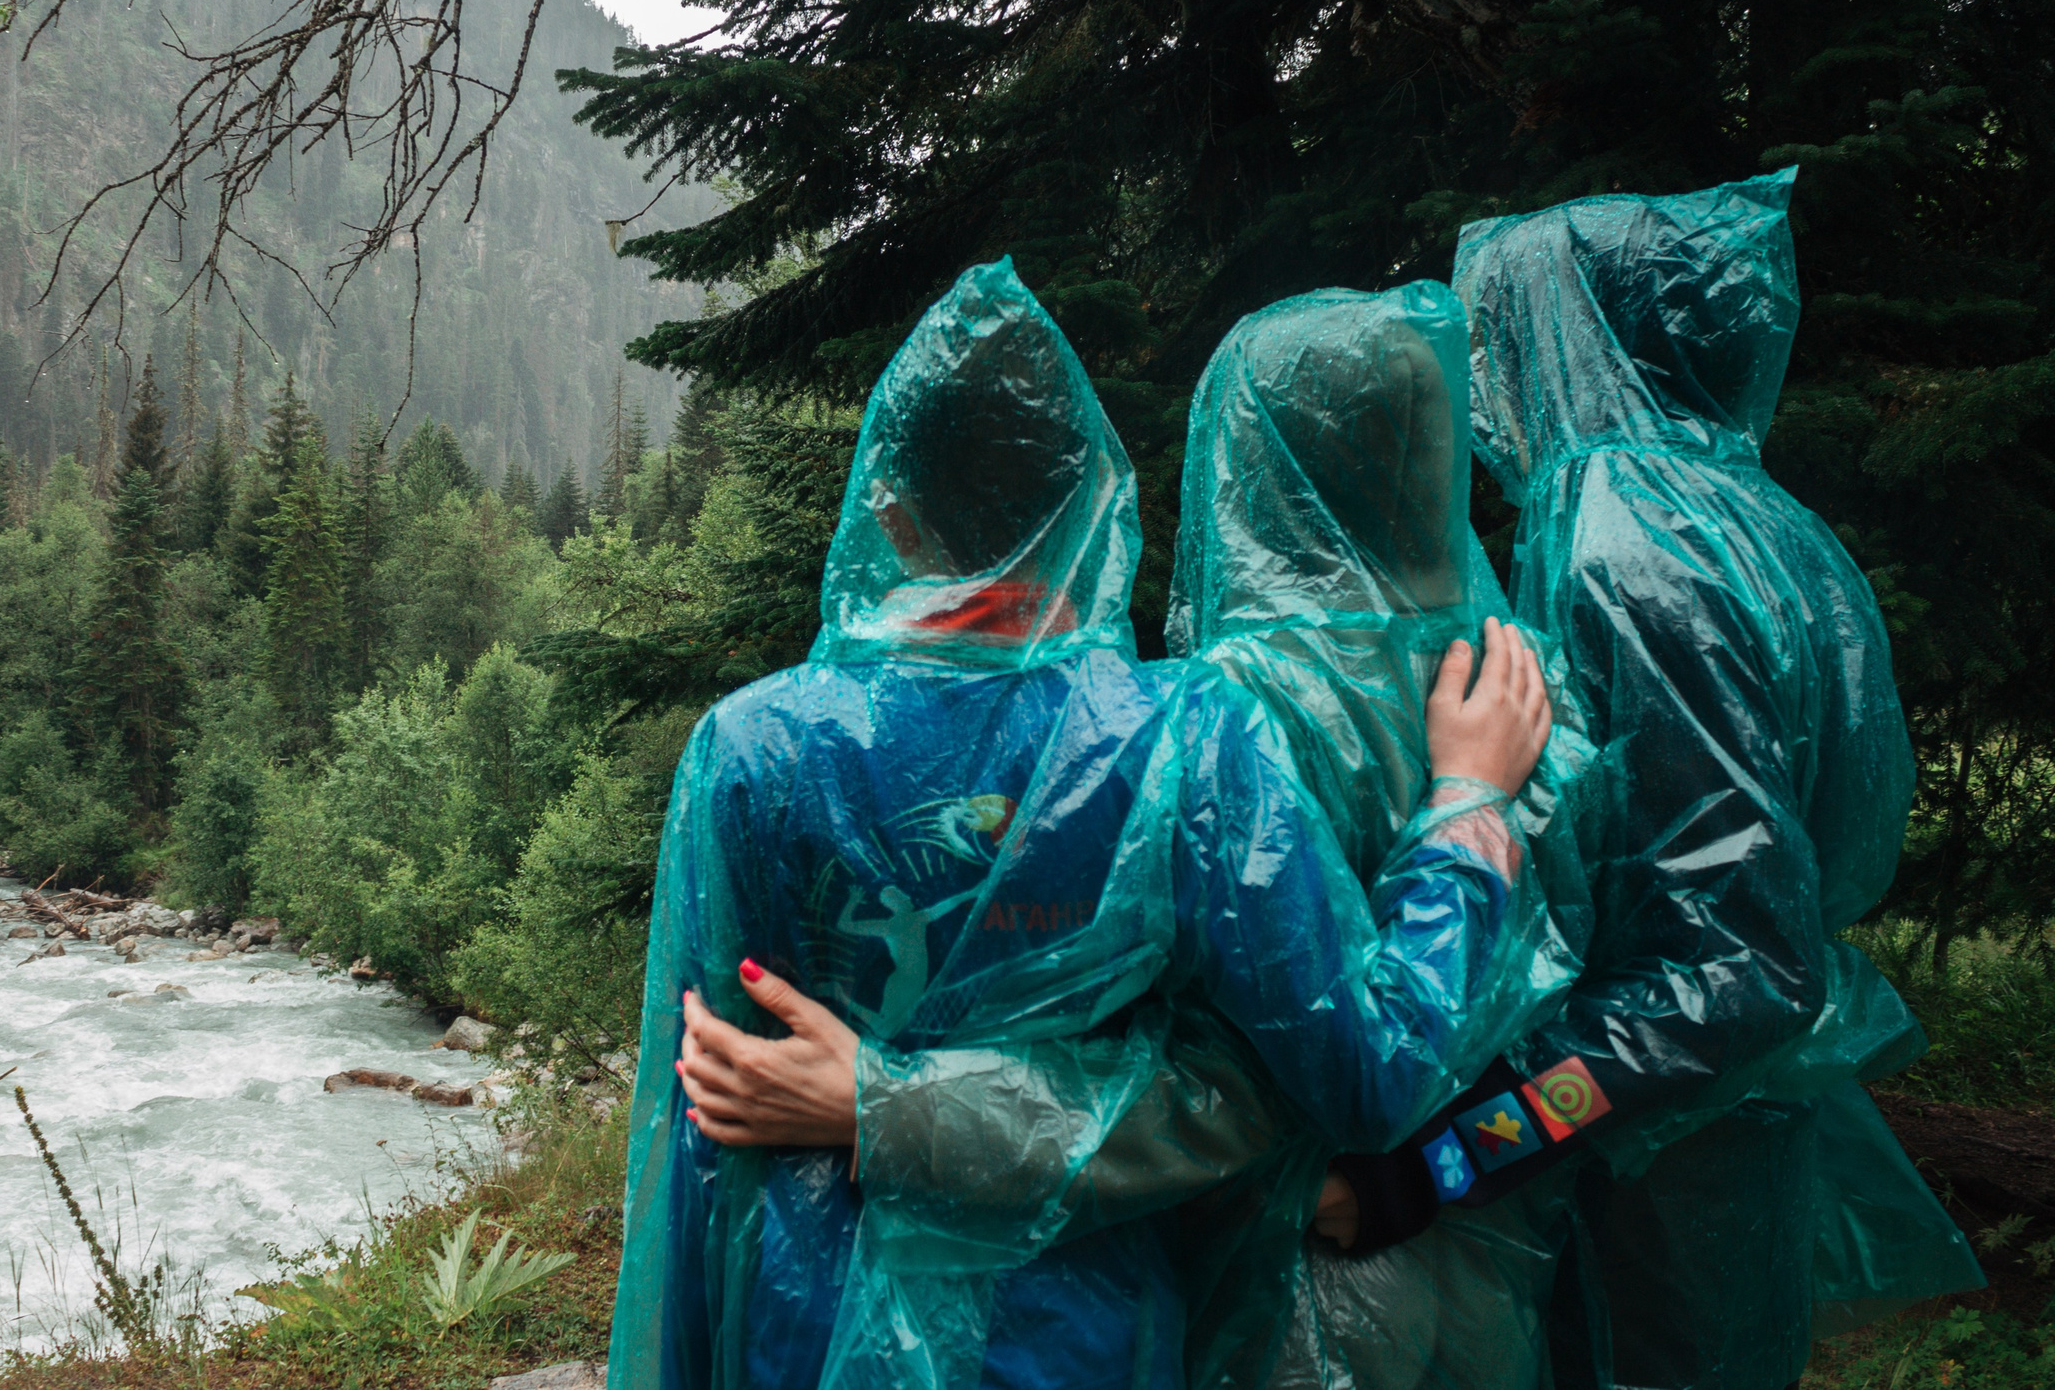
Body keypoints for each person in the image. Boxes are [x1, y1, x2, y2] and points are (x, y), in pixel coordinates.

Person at [620, 260, 1558, 1390]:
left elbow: (698, 1134)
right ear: (1090, 504)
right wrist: (1466, 814)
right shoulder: (1181, 738)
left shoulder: (749, 748)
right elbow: (1359, 1074)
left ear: (890, 511)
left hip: (792, 1327)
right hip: (1074, 1338)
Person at [1321, 171, 1978, 1390]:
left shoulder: (1626, 536)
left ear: (1571, 336)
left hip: (1652, 1178)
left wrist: (1446, 1164)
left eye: (1500, 328)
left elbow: (1729, 973)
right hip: (1717, 1154)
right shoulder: (1754, 512)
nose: (1482, 380)